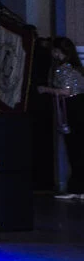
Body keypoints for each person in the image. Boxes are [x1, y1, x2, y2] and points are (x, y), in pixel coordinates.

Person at [39, 36, 84, 199]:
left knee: (74, 148)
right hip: (78, 105)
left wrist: (45, 89)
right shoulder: (76, 68)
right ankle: (78, 187)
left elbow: (66, 91)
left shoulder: (63, 68)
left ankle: (77, 188)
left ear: (58, 51)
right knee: (78, 147)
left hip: (72, 107)